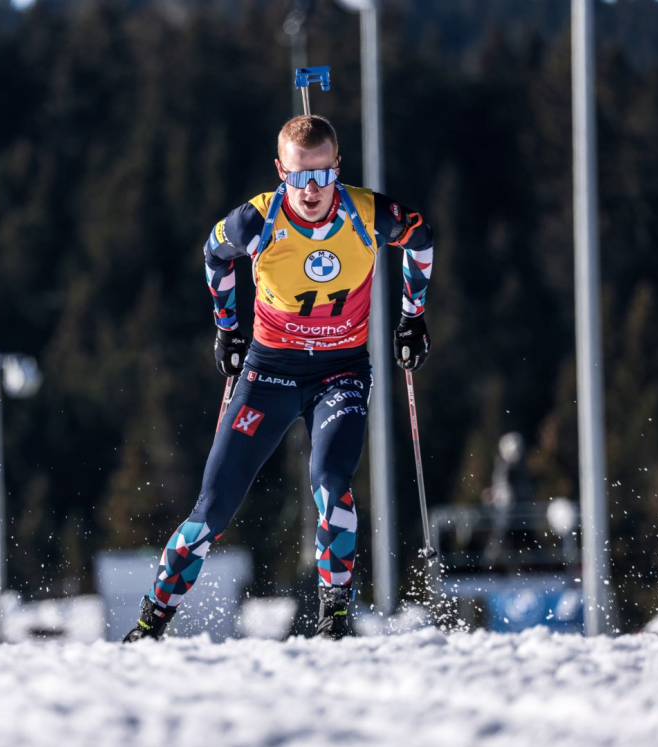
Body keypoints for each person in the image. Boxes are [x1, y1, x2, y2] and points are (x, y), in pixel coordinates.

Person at [122, 115, 434, 642]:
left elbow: (420, 237)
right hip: (270, 372)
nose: (310, 191)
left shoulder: (366, 212)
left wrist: (412, 317)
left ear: (339, 167)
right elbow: (214, 255)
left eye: (321, 176)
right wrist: (228, 329)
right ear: (278, 172)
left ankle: (334, 616)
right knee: (213, 507)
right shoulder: (257, 221)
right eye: (296, 177)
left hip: (341, 372)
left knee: (332, 486)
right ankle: (150, 621)